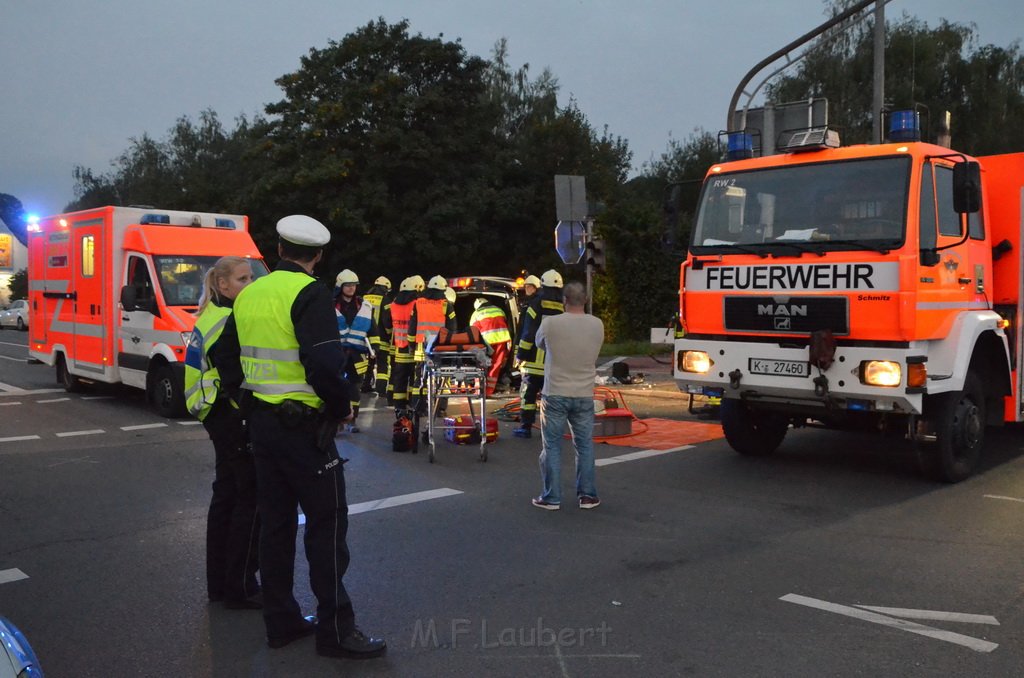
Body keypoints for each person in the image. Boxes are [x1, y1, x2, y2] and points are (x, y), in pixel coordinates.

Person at [217, 215, 385, 660]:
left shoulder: (250, 293)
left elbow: (223, 354)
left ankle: (282, 622)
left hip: (263, 427)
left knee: (275, 526)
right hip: (303, 428)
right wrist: (342, 405)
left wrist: (246, 401)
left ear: (277, 248)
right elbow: (326, 366)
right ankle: (336, 632)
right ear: (318, 255)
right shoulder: (310, 294)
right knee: (327, 527)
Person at [184, 256, 261, 610]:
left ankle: (221, 584)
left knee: (226, 497)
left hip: (212, 411)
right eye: (244, 278)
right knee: (248, 497)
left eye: (251, 277)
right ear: (224, 285)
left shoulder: (212, 312)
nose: (250, 283)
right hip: (226, 412)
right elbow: (234, 372)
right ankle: (240, 586)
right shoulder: (230, 317)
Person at [530, 281, 604, 510]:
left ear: (564, 300)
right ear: (586, 300)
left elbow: (540, 345)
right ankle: (588, 496)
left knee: (551, 446)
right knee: (584, 446)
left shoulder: (550, 323)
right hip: (583, 394)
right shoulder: (597, 324)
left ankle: (551, 497)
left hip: (555, 393)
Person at [513, 269, 564, 437]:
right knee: (553, 396)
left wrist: (521, 354)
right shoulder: (565, 306)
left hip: (534, 360)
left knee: (528, 395)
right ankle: (553, 428)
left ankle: (526, 427)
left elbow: (529, 333)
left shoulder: (536, 304)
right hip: (555, 361)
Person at [408, 275, 457, 415]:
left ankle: (418, 407)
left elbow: (412, 327)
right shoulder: (447, 305)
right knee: (443, 378)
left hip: (421, 347)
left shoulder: (417, 303)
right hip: (440, 348)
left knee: (421, 378)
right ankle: (440, 409)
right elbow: (452, 329)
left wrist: (411, 345)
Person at [334, 269, 374, 432]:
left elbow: (373, 329)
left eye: (354, 285)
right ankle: (337, 421)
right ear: (340, 286)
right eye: (347, 285)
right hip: (337, 353)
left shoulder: (363, 305)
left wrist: (375, 347)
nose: (351, 288)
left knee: (355, 388)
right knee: (336, 387)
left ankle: (353, 420)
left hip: (357, 355)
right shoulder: (332, 305)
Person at [380, 276, 420, 411]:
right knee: (414, 376)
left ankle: (398, 404)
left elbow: (387, 323)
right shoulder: (416, 304)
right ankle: (412, 402)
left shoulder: (393, 305)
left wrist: (394, 333)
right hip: (413, 346)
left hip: (398, 345)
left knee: (399, 377)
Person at [470, 297, 512, 396]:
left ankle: (479, 391)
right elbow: (506, 322)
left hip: (486, 342)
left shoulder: (476, 314)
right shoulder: (499, 310)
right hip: (502, 339)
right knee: (495, 366)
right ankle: (488, 392)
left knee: (481, 365)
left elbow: (474, 331)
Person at [362, 276, 391, 395]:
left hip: (364, 337)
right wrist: (390, 335)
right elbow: (387, 321)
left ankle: (365, 385)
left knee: (368, 363)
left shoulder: (364, 298)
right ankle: (381, 388)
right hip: (380, 338)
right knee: (382, 365)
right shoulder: (385, 300)